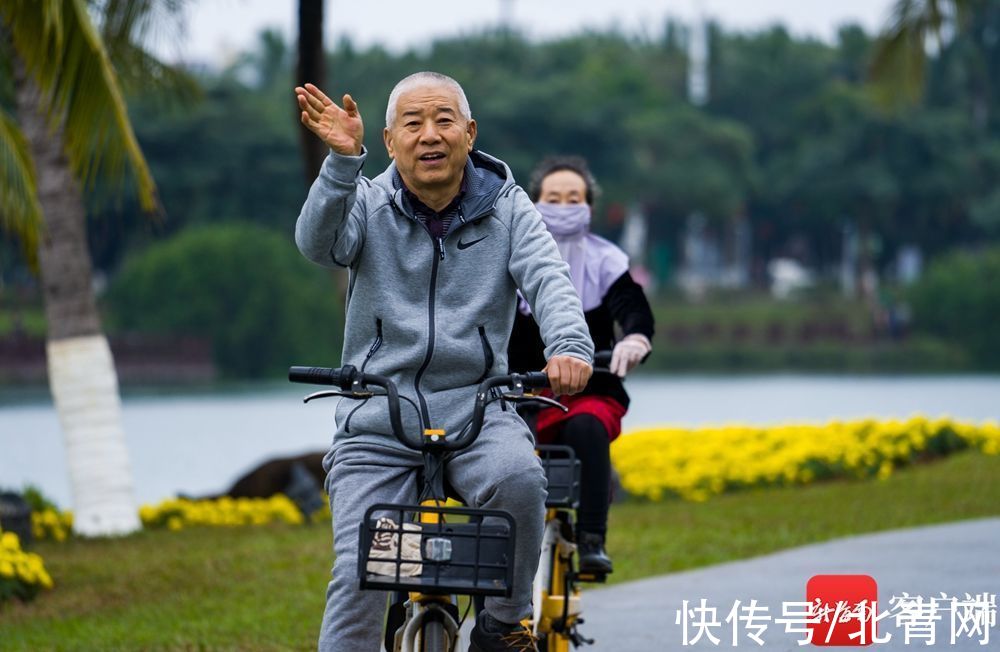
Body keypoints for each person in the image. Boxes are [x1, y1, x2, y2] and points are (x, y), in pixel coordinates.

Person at [294, 73, 593, 652]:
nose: (429, 136)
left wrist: (570, 348)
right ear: (388, 140)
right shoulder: (367, 201)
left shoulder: (508, 206)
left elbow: (549, 280)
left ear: (469, 132)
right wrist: (340, 162)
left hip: (479, 413)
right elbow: (319, 243)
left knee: (521, 479)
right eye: (412, 123)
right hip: (378, 421)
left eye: (443, 120)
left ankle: (506, 624)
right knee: (362, 568)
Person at [508, 156, 655, 576]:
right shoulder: (510, 256)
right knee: (502, 446)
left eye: (574, 199)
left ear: (589, 206)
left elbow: (633, 308)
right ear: (533, 203)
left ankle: (592, 537)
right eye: (553, 199)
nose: (564, 206)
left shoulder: (607, 261)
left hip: (588, 391)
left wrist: (635, 338)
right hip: (523, 394)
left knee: (588, 427)